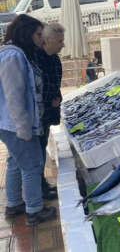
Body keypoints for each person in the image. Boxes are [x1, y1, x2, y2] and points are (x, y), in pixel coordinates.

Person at [0, 14, 56, 225]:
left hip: (11, 123)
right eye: (38, 34)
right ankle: (34, 210)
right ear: (26, 33)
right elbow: (13, 95)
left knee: (15, 161)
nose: (42, 39)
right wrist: (23, 128)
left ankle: (14, 205)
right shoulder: (13, 56)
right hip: (15, 124)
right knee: (32, 164)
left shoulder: (16, 54)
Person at [36, 23, 65, 200]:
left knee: (42, 147)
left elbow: (55, 84)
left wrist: (58, 98)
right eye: (60, 41)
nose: (63, 44)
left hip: (48, 114)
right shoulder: (36, 59)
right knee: (37, 153)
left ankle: (43, 186)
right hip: (38, 114)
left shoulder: (55, 59)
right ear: (47, 41)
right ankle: (39, 190)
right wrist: (50, 101)